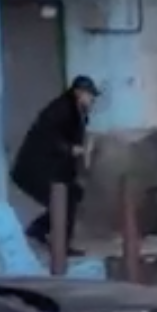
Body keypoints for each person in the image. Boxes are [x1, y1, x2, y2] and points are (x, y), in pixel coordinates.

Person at [11, 75, 98, 255]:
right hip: (33, 168)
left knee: (71, 196)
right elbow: (47, 137)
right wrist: (70, 149)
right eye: (90, 95)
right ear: (79, 93)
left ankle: (39, 230)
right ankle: (57, 245)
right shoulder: (61, 110)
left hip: (49, 167)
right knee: (64, 200)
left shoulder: (77, 112)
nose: (92, 100)